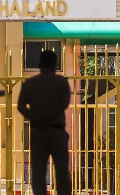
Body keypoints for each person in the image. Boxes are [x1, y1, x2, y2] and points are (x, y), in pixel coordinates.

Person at [16, 50, 72, 195]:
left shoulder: (30, 84)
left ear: (39, 65)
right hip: (56, 130)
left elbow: (21, 106)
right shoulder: (61, 82)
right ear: (55, 64)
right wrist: (49, 117)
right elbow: (64, 103)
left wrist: (36, 118)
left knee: (39, 173)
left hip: (38, 131)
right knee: (62, 173)